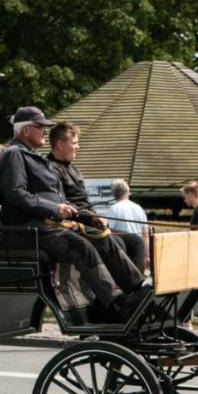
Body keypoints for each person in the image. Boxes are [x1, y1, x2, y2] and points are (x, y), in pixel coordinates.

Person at [0, 106, 149, 322]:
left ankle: (135, 290)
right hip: (29, 228)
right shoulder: (14, 154)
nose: (45, 132)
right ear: (25, 130)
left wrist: (85, 216)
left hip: (49, 224)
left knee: (102, 237)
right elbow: (16, 194)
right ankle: (116, 304)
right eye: (40, 127)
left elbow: (55, 197)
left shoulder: (29, 156)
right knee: (82, 246)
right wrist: (55, 209)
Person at [46, 121, 144, 288]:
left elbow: (85, 202)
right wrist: (92, 218)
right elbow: (62, 203)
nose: (78, 147)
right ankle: (128, 292)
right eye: (74, 143)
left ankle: (137, 291)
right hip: (72, 226)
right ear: (60, 145)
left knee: (135, 241)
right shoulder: (50, 169)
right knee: (116, 242)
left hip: (89, 222)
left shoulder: (74, 170)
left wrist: (96, 215)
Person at [107, 178, 149, 271]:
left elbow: (108, 233)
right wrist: (146, 255)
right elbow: (145, 234)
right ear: (128, 192)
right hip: (138, 252)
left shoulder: (113, 210)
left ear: (113, 194)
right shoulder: (139, 209)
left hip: (123, 254)